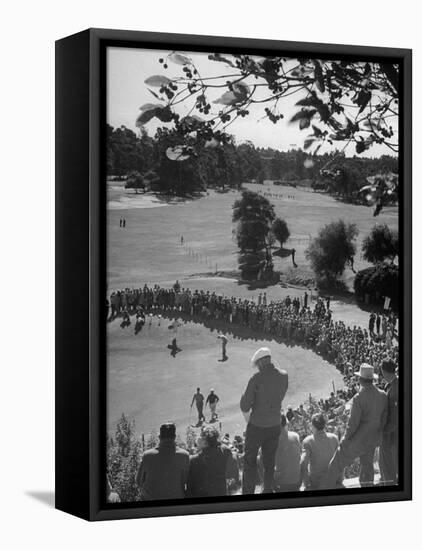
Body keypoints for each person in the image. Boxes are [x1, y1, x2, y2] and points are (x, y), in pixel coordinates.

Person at [321, 364, 387, 489]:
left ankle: (324, 490)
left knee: (336, 463)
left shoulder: (359, 398)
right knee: (367, 467)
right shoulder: (383, 395)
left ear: (360, 380)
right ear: (372, 379)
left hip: (357, 440)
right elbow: (383, 419)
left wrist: (345, 439)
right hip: (373, 439)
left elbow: (353, 424)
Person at [240, 347, 288, 494]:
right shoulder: (284, 375)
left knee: (250, 460)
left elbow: (244, 406)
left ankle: (248, 493)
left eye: (257, 364)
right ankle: (267, 490)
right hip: (275, 424)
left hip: (257, 426)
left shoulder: (256, 378)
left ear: (261, 362)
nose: (257, 367)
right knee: (269, 460)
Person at [136, 422, 189, 500]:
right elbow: (186, 481)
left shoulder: (147, 455)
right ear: (174, 437)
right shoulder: (184, 455)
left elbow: (139, 481)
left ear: (159, 437)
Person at [187, 425, 239, 497]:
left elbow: (190, 487)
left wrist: (199, 448)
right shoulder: (225, 453)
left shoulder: (194, 460)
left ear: (204, 441)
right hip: (221, 494)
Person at [300, 413, 339, 490]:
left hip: (316, 483)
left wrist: (307, 483)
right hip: (333, 481)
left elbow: (303, 464)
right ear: (324, 424)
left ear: (312, 425)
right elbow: (341, 460)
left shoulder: (308, 441)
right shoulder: (334, 438)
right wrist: (340, 480)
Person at [379, 359, 399, 485]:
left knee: (390, 466)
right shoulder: (390, 385)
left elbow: (396, 418)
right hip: (390, 434)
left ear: (384, 371)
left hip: (392, 436)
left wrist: (384, 431)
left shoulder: (396, 389)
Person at [273, 414, 301, 492]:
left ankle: (267, 487)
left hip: (281, 485)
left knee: (259, 459)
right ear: (286, 423)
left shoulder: (272, 441)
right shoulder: (296, 436)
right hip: (297, 481)